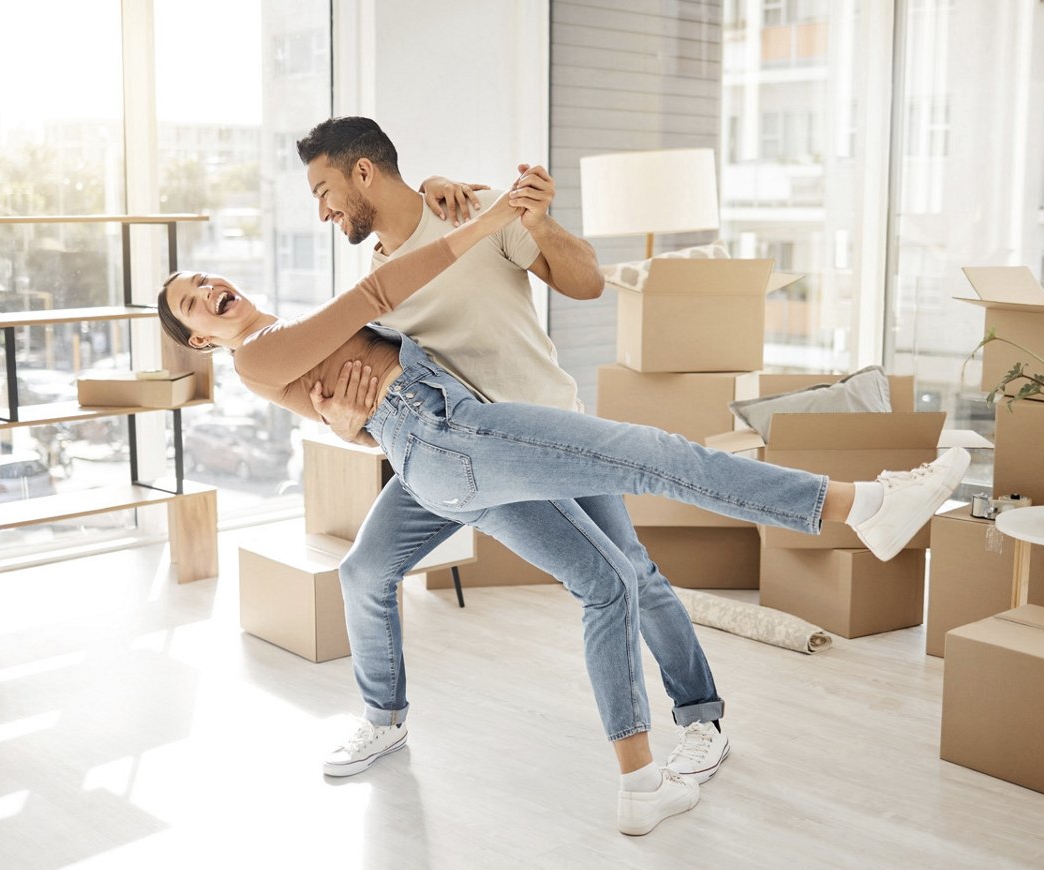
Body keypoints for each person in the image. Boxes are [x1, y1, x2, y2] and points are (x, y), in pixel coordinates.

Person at [157, 184, 970, 836]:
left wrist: (356, 420)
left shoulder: (289, 332)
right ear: (199, 340)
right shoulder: (260, 354)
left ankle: (638, 778)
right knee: (656, 458)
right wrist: (479, 226)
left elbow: (369, 401)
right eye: (194, 300)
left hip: (445, 450)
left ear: (362, 174)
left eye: (204, 279)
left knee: (583, 579)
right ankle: (861, 505)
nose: (210, 289)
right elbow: (375, 299)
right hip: (453, 442)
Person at [292, 118, 736, 810]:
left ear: (363, 173)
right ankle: (384, 720)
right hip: (449, 456)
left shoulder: (474, 214)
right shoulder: (376, 286)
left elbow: (586, 282)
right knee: (363, 569)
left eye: (323, 190)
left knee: (629, 572)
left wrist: (540, 220)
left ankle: (700, 715)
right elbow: (393, 399)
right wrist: (351, 428)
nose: (321, 210)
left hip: (546, 439)